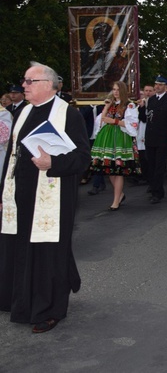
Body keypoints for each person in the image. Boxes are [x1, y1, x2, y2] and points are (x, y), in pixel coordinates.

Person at [0, 62, 91, 333]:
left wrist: (52, 162)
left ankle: (49, 310)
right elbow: (12, 155)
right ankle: (19, 301)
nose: (23, 86)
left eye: (29, 81)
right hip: (20, 194)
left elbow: (82, 159)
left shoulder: (68, 115)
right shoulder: (23, 112)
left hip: (52, 196)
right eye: (25, 81)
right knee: (19, 247)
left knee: (47, 252)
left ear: (48, 85)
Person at [90, 81, 140, 211]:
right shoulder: (111, 103)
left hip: (120, 138)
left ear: (122, 90)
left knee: (118, 171)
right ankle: (120, 195)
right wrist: (106, 107)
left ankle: (116, 200)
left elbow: (133, 125)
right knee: (110, 169)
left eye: (118, 89)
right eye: (114, 89)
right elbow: (101, 121)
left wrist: (114, 121)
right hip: (107, 138)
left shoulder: (129, 105)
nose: (115, 92)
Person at [138, 76, 167, 204]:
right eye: (156, 84)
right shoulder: (151, 100)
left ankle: (157, 192)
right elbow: (145, 119)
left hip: (162, 138)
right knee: (151, 164)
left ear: (165, 86)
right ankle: (153, 186)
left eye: (160, 85)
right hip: (150, 137)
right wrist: (142, 107)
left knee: (159, 166)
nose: (157, 87)